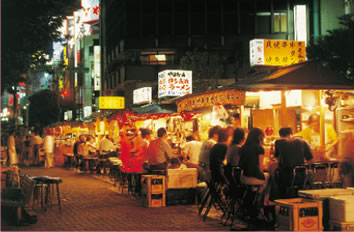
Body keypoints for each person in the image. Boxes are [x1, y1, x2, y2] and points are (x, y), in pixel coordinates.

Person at [275, 127, 314, 198]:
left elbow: (276, 158)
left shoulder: (278, 142)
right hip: (301, 176)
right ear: (291, 133)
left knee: (275, 175)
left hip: (285, 175)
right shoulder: (303, 141)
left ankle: (282, 199)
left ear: (280, 135)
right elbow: (311, 160)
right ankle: (298, 198)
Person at [239, 127, 270, 206]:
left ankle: (255, 190)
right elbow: (260, 168)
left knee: (262, 179)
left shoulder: (242, 148)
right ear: (259, 137)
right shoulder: (259, 148)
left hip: (243, 178)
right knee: (270, 178)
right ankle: (264, 203)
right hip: (254, 177)